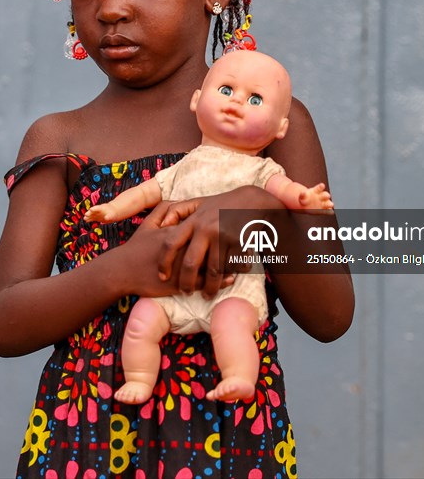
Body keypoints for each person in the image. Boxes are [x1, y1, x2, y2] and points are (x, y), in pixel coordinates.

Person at [0, 0, 354, 479]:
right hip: (83, 451)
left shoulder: (270, 134)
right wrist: (124, 268)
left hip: (230, 447)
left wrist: (259, 211)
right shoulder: (60, 138)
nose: (110, 8)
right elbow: (5, 321)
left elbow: (330, 315)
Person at [84, 50, 335, 406]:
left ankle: (239, 378)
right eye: (226, 90)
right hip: (169, 290)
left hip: (233, 287)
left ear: (281, 127)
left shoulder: (260, 171)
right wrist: (111, 209)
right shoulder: (186, 166)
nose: (236, 103)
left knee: (232, 326)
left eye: (255, 99)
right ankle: (140, 377)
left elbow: (284, 191)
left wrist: (305, 200)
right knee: (141, 324)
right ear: (197, 100)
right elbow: (146, 192)